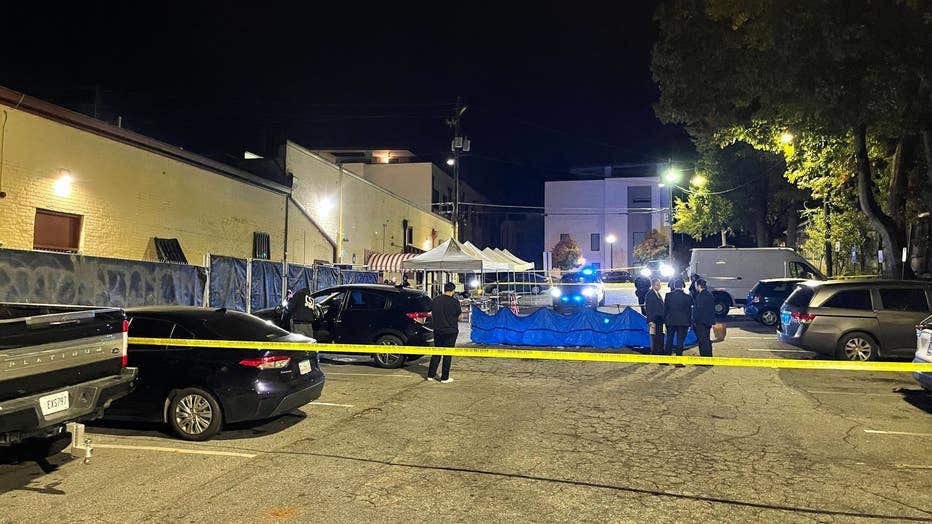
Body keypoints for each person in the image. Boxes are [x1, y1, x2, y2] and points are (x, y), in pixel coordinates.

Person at [428, 282, 462, 383]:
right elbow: (459, 317)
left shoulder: (436, 300)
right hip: (451, 331)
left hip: (438, 330)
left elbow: (431, 312)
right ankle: (444, 377)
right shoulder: (455, 302)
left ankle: (430, 375)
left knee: (437, 352)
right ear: (453, 291)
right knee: (447, 354)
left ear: (444, 289)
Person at [663, 279, 692, 360]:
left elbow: (665, 309)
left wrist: (664, 321)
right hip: (683, 322)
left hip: (671, 321)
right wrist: (689, 323)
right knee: (680, 341)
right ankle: (678, 359)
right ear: (683, 286)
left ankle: (666, 359)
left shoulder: (668, 295)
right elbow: (689, 311)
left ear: (674, 286)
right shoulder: (688, 297)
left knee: (669, 339)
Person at [692, 278, 715, 357]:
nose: (695, 287)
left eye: (695, 285)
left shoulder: (700, 296)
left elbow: (698, 311)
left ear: (698, 286)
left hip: (701, 323)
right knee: (707, 340)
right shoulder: (710, 294)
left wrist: (694, 321)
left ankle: (704, 359)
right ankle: (709, 357)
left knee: (702, 342)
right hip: (708, 322)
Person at [643, 278, 665, 356]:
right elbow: (648, 309)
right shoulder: (650, 295)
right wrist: (650, 321)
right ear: (653, 285)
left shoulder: (657, 293)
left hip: (659, 319)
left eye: (659, 285)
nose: (659, 286)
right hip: (654, 320)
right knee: (655, 337)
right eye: (657, 285)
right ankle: (655, 352)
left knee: (659, 336)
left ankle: (659, 351)